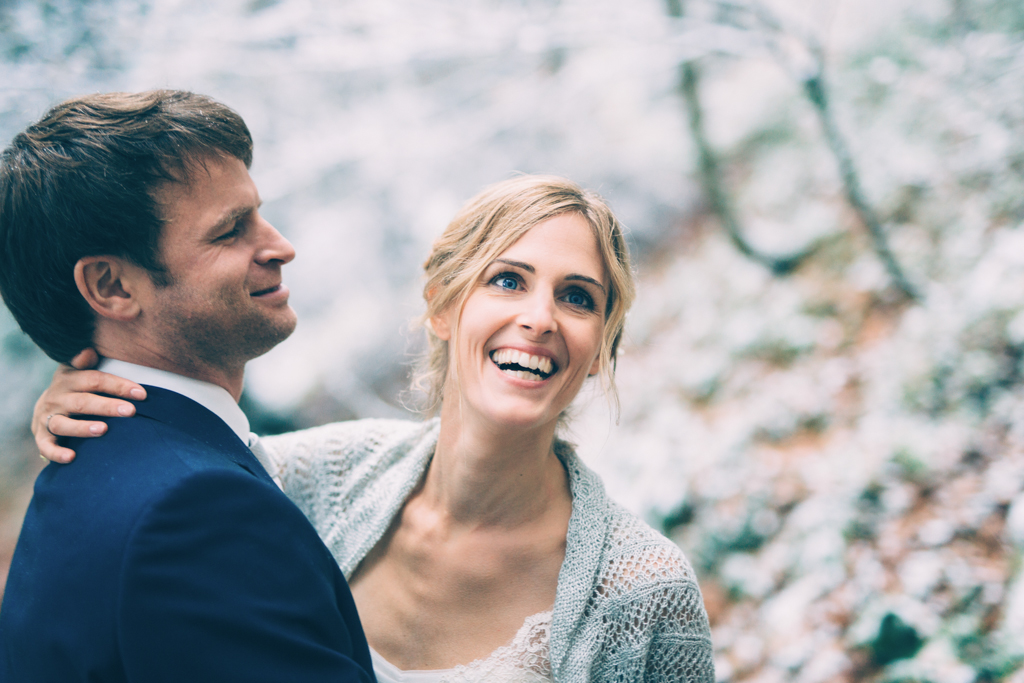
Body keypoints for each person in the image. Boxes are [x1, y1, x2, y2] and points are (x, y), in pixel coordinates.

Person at [34, 175, 715, 681]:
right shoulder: (310, 475)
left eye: (578, 297)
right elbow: (178, 463)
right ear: (443, 307)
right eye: (508, 281)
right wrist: (82, 389)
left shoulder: (645, 593)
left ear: (599, 349)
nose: (540, 317)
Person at [0, 90, 375, 682]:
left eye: (258, 213)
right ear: (112, 287)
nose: (280, 246)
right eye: (230, 231)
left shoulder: (91, 470)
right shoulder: (196, 510)